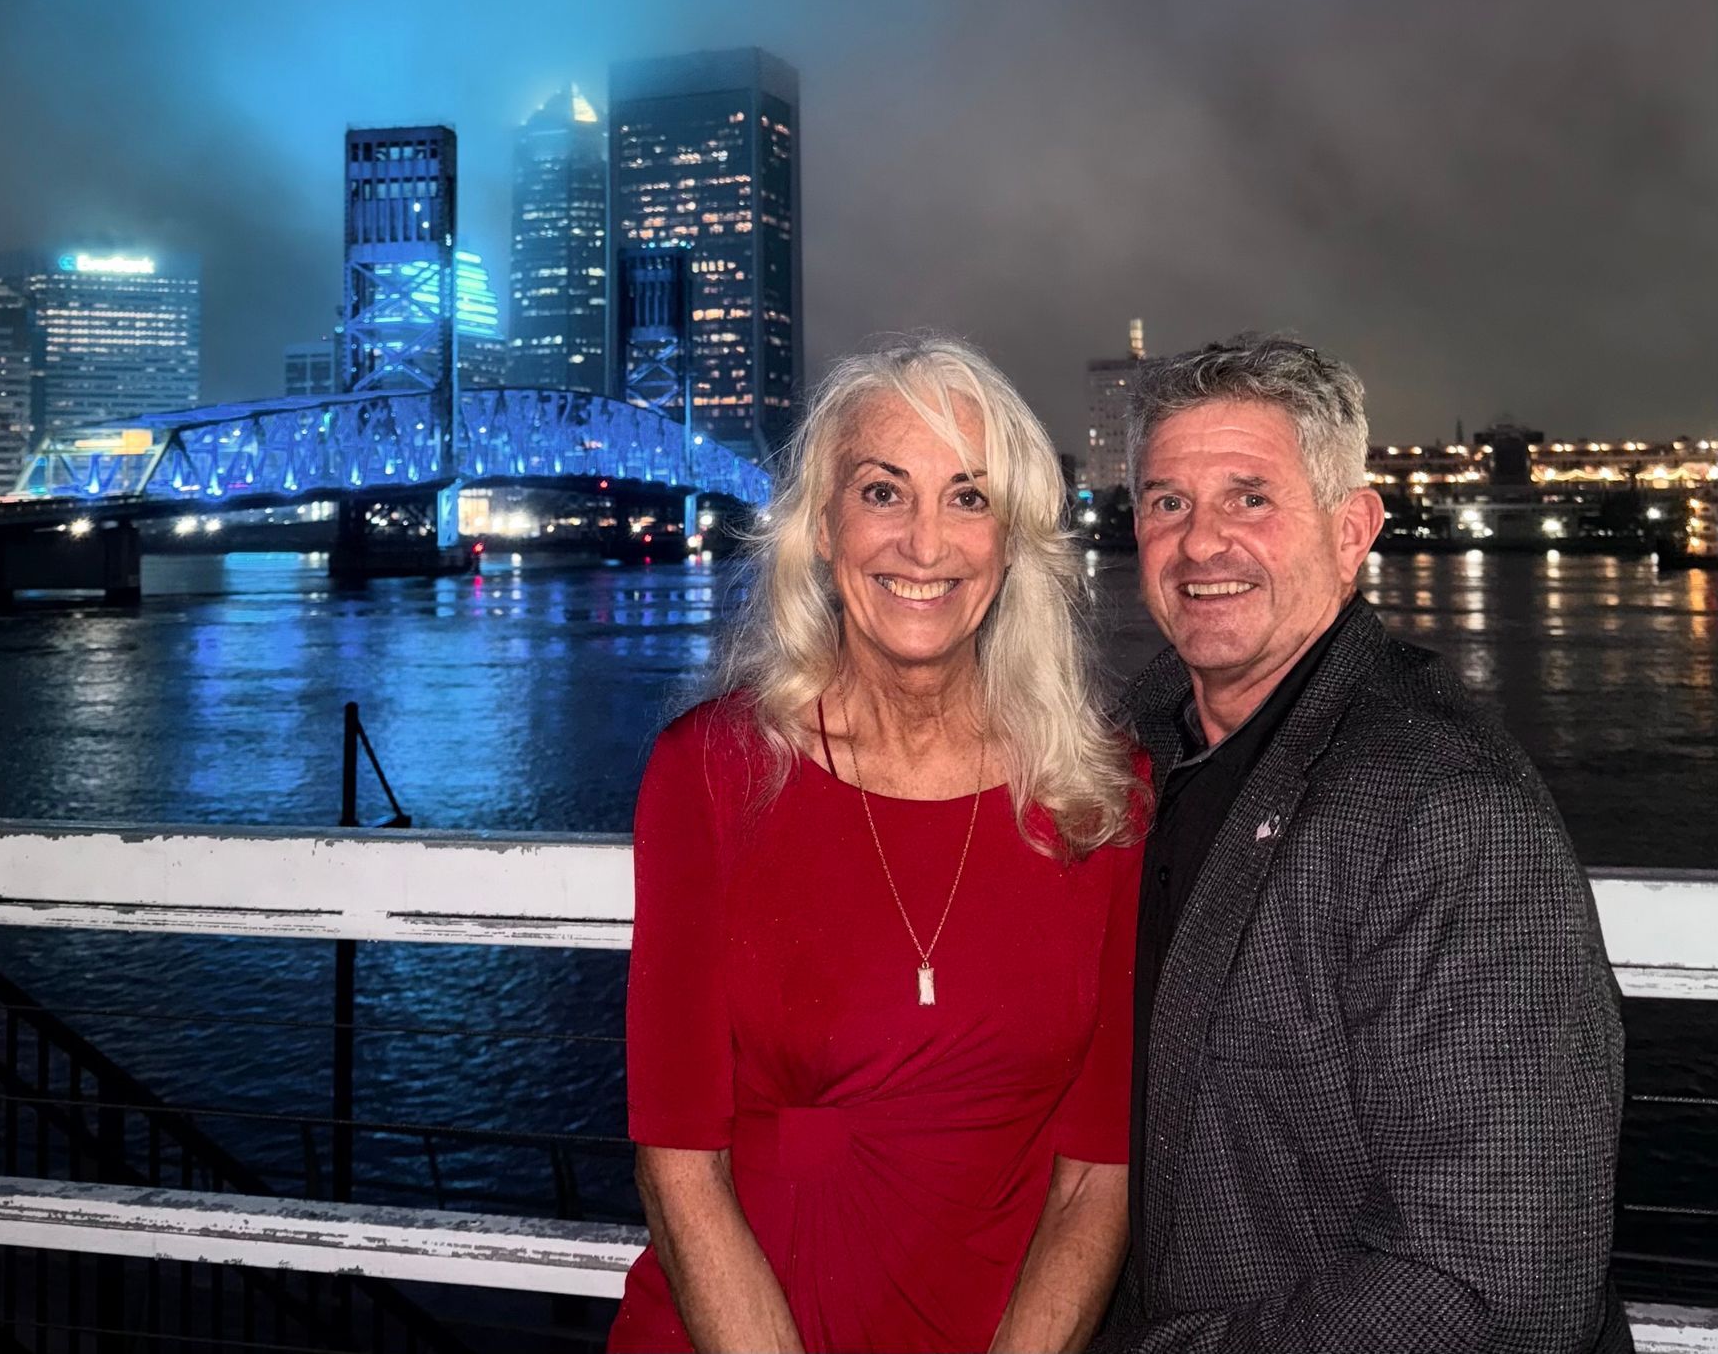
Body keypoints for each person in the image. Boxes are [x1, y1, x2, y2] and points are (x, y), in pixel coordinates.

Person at [610, 338, 1149, 1354]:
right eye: (883, 491)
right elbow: (678, 1163)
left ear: (1014, 538)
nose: (925, 543)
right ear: (823, 526)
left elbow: (1096, 1174)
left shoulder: (1101, 798)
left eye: (968, 497)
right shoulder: (710, 776)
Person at [1096, 334, 1630, 1354]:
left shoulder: (1445, 814)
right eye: (1168, 502)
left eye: (1251, 498)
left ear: (1352, 531)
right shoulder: (1129, 761)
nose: (1201, 543)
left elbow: (1494, 1287)